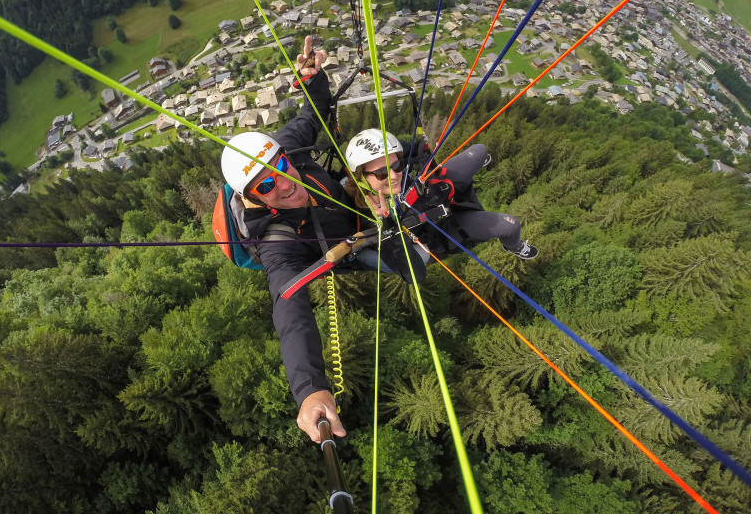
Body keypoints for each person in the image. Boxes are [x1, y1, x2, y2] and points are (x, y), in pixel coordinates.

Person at [220, 36, 353, 443]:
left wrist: (313, 80)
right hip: (347, 245)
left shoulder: (285, 150)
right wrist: (310, 390)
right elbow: (289, 307)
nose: (283, 182)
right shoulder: (276, 240)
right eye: (266, 184)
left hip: (346, 208)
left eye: (279, 166)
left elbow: (310, 115)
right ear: (250, 197)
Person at [344, 128, 539, 261]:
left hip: (436, 190)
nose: (394, 175)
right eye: (382, 173)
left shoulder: (396, 177)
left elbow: (413, 152)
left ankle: (480, 162)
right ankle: (514, 247)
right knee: (511, 225)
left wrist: (423, 155)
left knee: (480, 150)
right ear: (361, 178)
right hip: (444, 228)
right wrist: (388, 224)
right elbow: (399, 257)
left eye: (397, 165)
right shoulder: (367, 214)